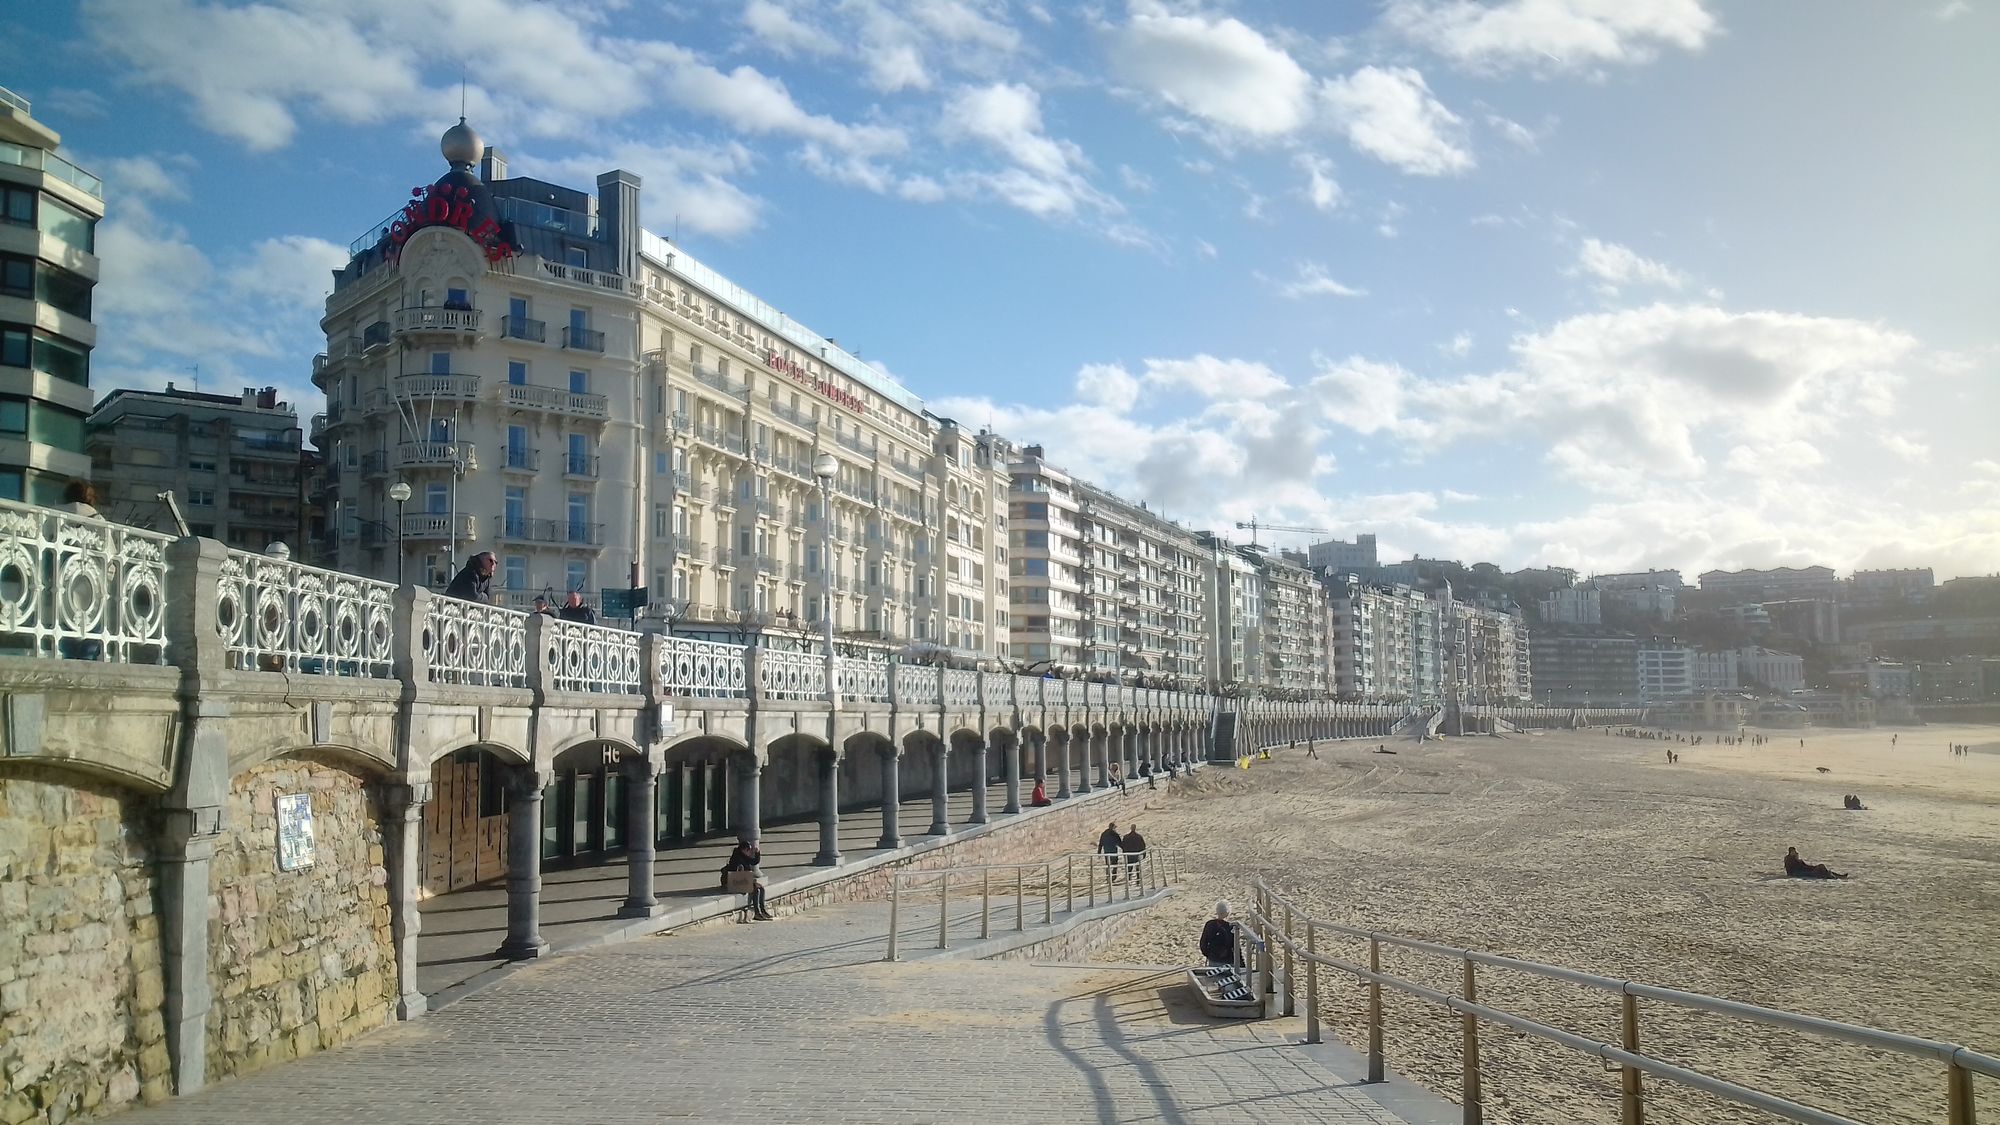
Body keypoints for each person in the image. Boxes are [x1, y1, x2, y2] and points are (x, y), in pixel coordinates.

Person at [723, 839, 774, 920]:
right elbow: (740, 873)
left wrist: (757, 853)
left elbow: (754, 862)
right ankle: (757, 912)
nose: (750, 852)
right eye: (748, 850)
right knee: (756, 889)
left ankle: (762, 910)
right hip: (737, 882)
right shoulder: (737, 858)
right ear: (744, 850)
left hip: (743, 880)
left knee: (761, 888)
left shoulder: (743, 856)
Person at [1199, 901, 1236, 965]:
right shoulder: (1230, 927)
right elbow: (1235, 947)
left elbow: (1203, 943)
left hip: (1213, 958)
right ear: (1228, 913)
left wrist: (1208, 955)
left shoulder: (1209, 924)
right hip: (1228, 960)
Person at [1784, 846, 1848, 879]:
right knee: (1820, 869)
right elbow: (1798, 867)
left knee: (1821, 868)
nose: (1795, 853)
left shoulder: (1797, 860)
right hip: (1797, 873)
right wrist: (1796, 859)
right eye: (1793, 851)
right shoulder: (1789, 859)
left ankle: (1838, 875)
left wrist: (1813, 867)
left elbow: (1805, 865)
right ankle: (1831, 876)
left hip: (1803, 870)